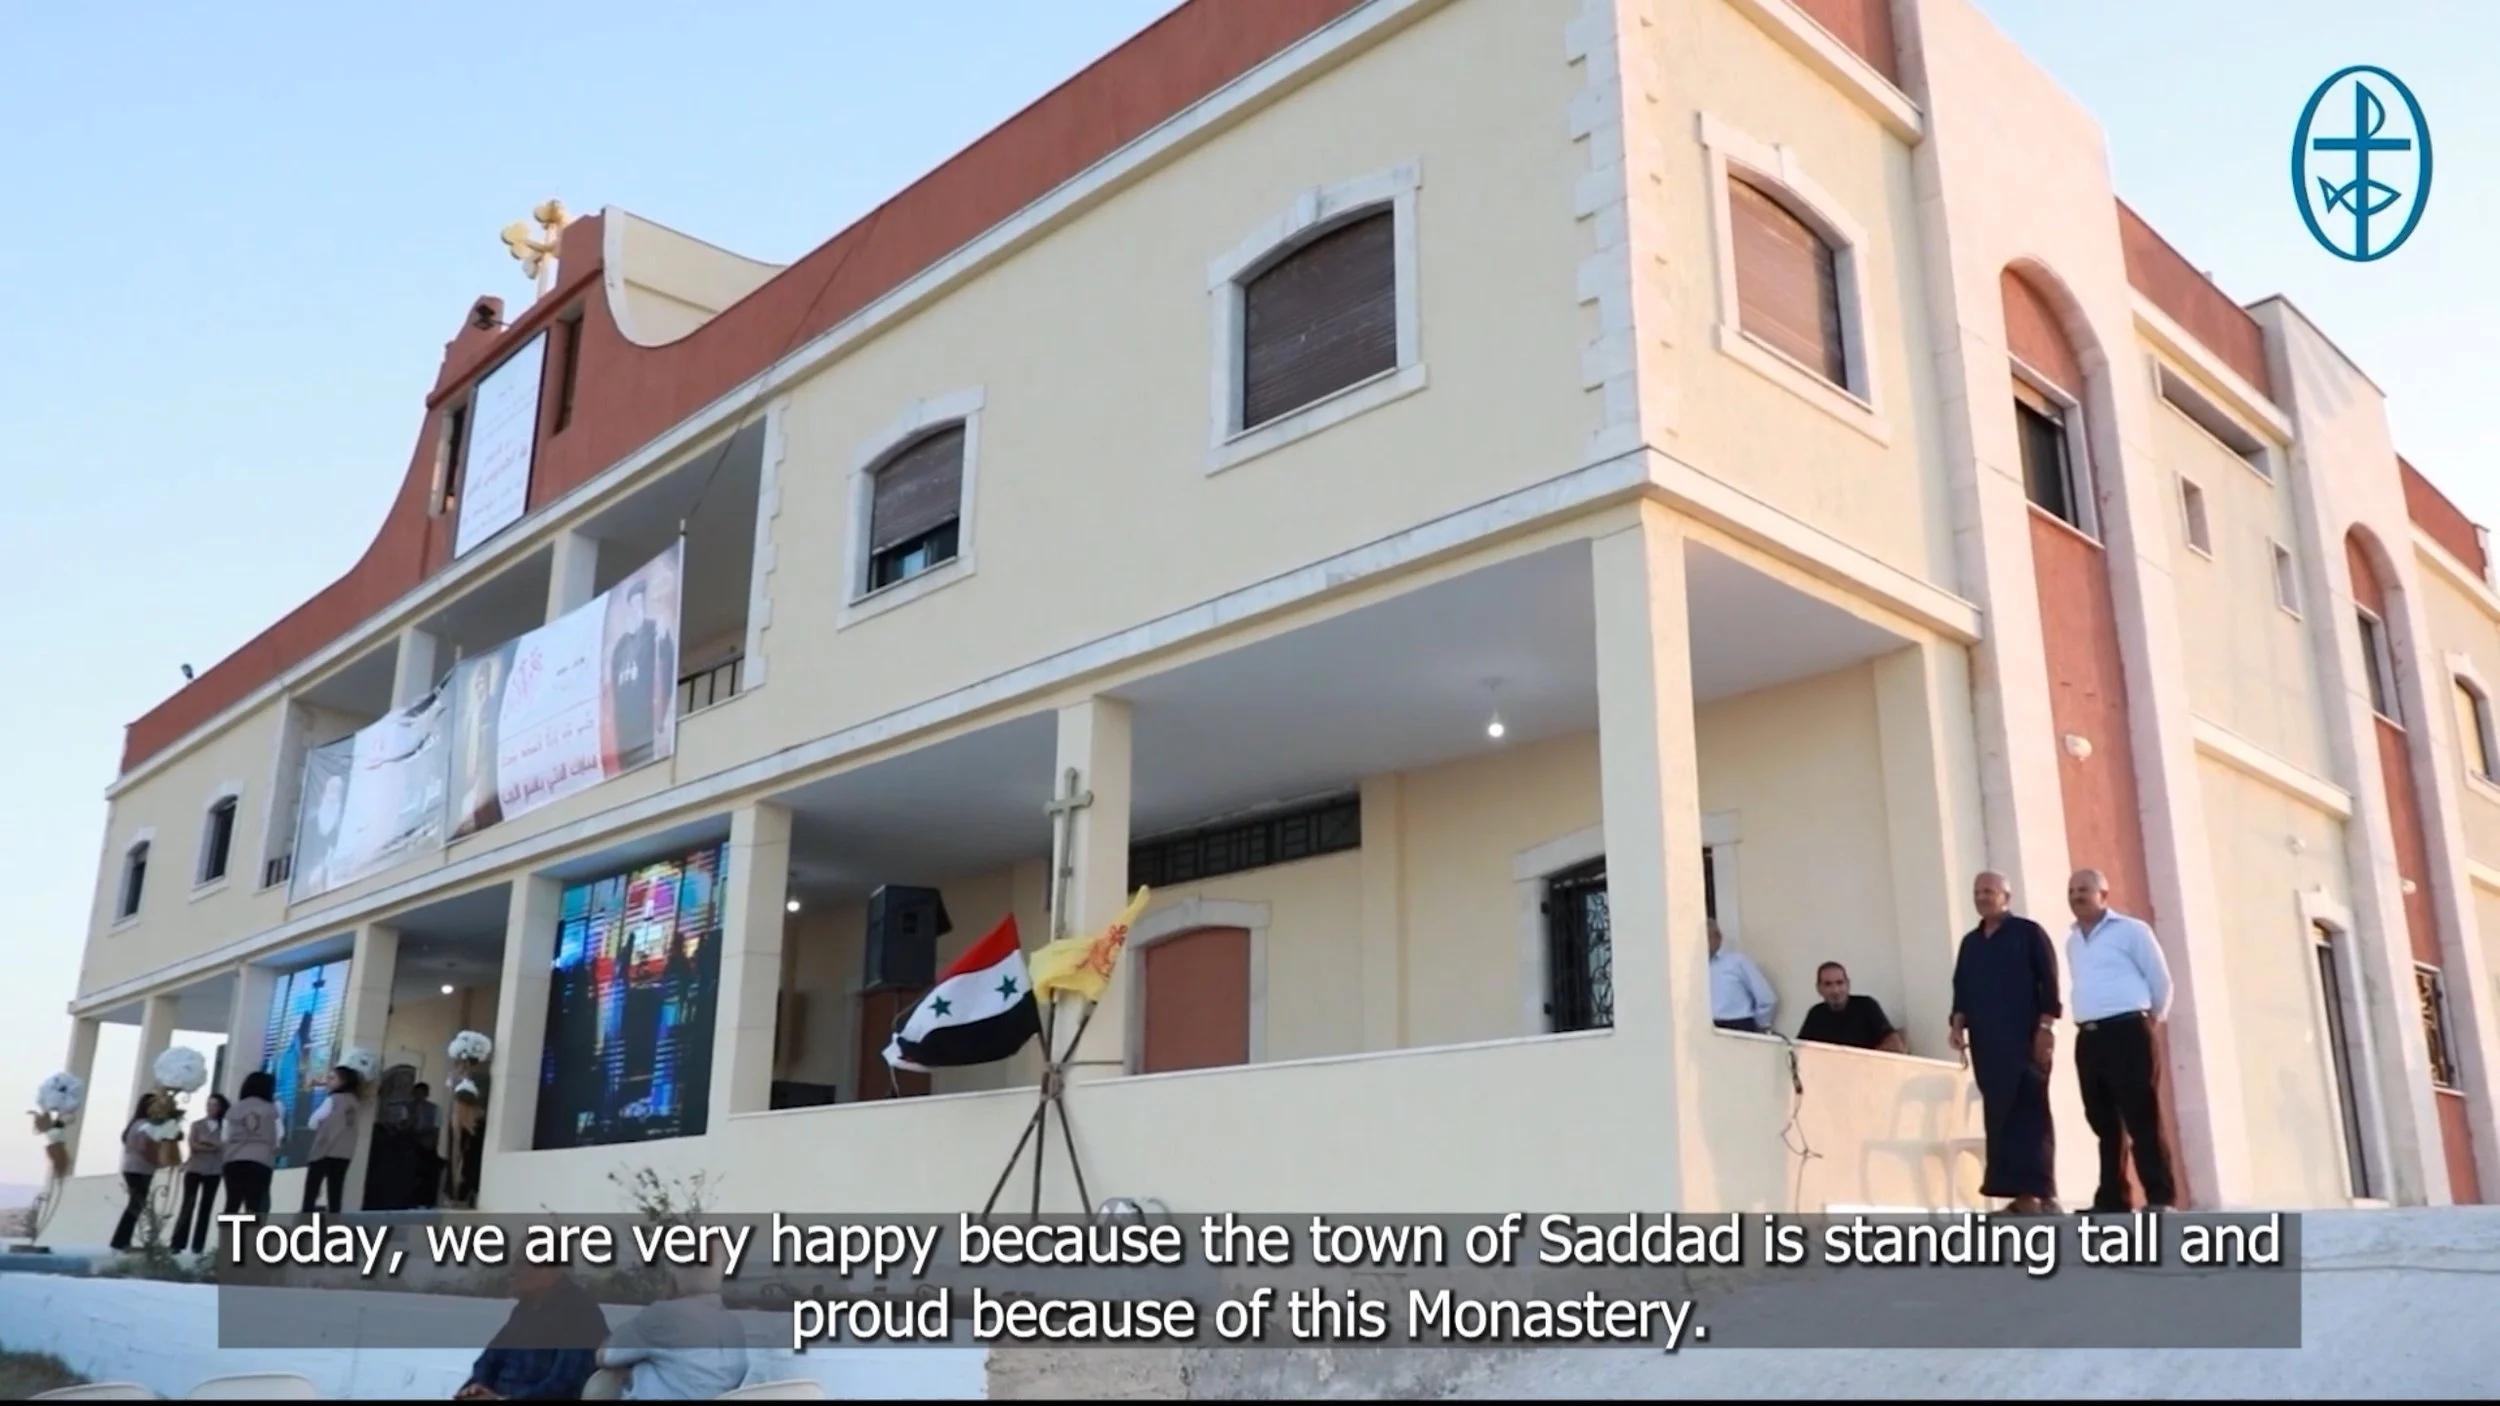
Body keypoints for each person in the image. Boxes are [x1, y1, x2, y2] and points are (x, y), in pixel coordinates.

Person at [2065, 867, 2178, 1212]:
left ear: (2104, 895)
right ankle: (2113, 1199)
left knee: (2141, 1115)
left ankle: (2160, 1197)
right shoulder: (2072, 940)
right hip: (2089, 1036)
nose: (2076, 895)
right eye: (2072, 890)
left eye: (2084, 889)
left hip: (2128, 1030)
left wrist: (2151, 1018)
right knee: (2103, 1120)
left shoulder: (2131, 931)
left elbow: (2160, 980)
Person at [1950, 871, 2063, 1214]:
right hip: (1988, 1045)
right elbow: (1962, 988)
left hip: (2027, 1042)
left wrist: (2046, 1028)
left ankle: (2040, 1195)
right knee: (1999, 1116)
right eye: (1977, 892)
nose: (1982, 897)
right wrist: (1957, 1022)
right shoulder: (1971, 942)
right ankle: (2017, 1196)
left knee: (2030, 1115)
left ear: (2006, 897)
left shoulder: (2028, 934)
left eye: (1989, 891)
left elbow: (2050, 983)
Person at [586, 1262, 749, 1400]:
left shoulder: (664, 1316)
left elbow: (605, 1356)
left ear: (674, 1280)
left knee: (603, 1383)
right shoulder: (733, 1326)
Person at [455, 1262, 609, 1401]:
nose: (513, 1271)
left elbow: (565, 1385)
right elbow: (490, 1358)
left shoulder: (581, 1312)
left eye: (521, 1264)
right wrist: (476, 1386)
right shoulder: (525, 1309)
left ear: (549, 1270)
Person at [606, 581, 662, 771]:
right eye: (635, 604)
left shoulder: (655, 631)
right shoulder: (621, 645)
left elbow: (665, 666)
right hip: (625, 725)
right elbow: (613, 682)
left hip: (645, 720)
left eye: (642, 604)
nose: (639, 609)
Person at [1796, 962, 1907, 1053]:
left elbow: (1895, 1046)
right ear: (1819, 989)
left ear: (1848, 984)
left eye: (1840, 983)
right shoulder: (1816, 1014)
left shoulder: (1867, 1006)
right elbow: (1798, 1051)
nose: (1835, 990)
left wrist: (1859, 1061)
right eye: (1828, 984)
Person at [301, 1065, 365, 1214]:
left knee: (311, 1191)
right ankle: (335, 1228)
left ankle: (305, 1225)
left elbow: (313, 1122)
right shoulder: (356, 1103)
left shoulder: (333, 1099)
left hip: (325, 1150)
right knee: (335, 1192)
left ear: (343, 1081)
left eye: (332, 1078)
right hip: (344, 1152)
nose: (328, 1081)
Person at [171, 1093, 227, 1254]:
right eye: (209, 1104)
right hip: (195, 1168)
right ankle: (178, 1243)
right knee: (188, 1205)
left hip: (214, 1171)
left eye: (214, 1105)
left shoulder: (224, 1127)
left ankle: (198, 1245)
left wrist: (208, 1144)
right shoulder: (197, 1125)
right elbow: (194, 1145)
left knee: (206, 1208)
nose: (210, 1108)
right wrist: (213, 1146)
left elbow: (224, 1146)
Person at [222, 1071, 283, 1216]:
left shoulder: (234, 1109)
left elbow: (225, 1136)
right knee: (254, 1205)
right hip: (260, 1160)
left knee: (232, 1203)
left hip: (233, 1160)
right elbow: (279, 1135)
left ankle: (226, 1237)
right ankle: (250, 1238)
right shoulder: (271, 1109)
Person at [108, 1094, 160, 1251]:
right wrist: (156, 1161)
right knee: (136, 1204)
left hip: (130, 1167)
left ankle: (121, 1239)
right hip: (140, 1168)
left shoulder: (135, 1124)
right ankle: (120, 1240)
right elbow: (143, 1146)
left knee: (135, 1203)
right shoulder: (146, 1125)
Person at [1706, 921, 1777, 1033]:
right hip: (1705, 1027)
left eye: (1706, 937)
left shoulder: (1737, 962)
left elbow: (1766, 998)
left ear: (1718, 937)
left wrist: (1761, 1024)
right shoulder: (1693, 969)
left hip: (1737, 1025)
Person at [411, 1082, 444, 1208]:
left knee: (428, 1174)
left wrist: (432, 1142)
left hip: (428, 1144)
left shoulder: (434, 1109)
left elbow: (436, 1128)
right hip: (411, 1144)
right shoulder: (407, 1107)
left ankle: (427, 1200)